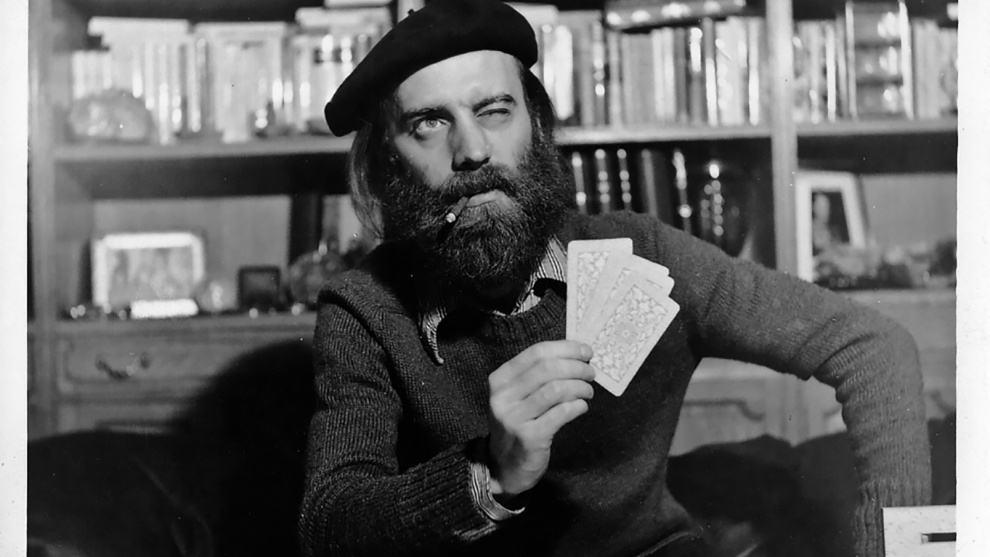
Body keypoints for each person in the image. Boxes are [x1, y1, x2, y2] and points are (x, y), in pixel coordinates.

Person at [298, 1, 931, 556]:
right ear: (389, 160)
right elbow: (330, 522)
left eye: (493, 110)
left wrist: (890, 547)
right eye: (428, 124)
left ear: (536, 127)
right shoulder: (363, 308)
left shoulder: (643, 255)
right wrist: (489, 473)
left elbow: (872, 346)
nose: (472, 150)